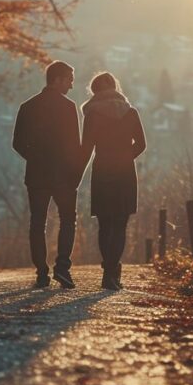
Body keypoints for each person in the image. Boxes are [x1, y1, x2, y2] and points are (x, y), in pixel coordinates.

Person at [12, 61, 85, 289]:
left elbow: (17, 143)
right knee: (68, 221)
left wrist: (34, 158)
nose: (72, 85)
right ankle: (62, 267)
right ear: (57, 79)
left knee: (37, 223)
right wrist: (74, 174)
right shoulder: (68, 107)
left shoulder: (28, 106)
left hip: (36, 175)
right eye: (69, 80)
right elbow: (75, 145)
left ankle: (41, 273)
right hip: (64, 175)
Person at [81, 72, 146, 290]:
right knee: (120, 223)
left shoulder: (92, 114)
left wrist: (76, 171)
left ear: (95, 90)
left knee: (104, 223)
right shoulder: (131, 112)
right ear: (116, 87)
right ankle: (112, 271)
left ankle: (108, 272)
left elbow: (87, 147)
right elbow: (141, 144)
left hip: (102, 171)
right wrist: (125, 157)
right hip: (125, 172)